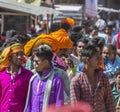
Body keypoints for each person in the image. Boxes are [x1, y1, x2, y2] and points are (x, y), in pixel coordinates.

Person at [70, 45, 115, 112]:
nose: (100, 61)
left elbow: (110, 103)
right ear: (88, 60)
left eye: (100, 58)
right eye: (97, 59)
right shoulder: (76, 81)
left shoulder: (103, 78)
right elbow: (75, 106)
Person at [24, 44, 64, 112]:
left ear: (46, 62)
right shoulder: (33, 79)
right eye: (33, 61)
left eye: (37, 62)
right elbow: (29, 104)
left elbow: (59, 104)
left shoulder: (56, 80)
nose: (34, 64)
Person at [0, 41, 33, 112]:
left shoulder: (29, 75)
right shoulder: (1, 75)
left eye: (22, 54)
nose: (20, 57)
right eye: (17, 54)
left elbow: (31, 99)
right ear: (9, 57)